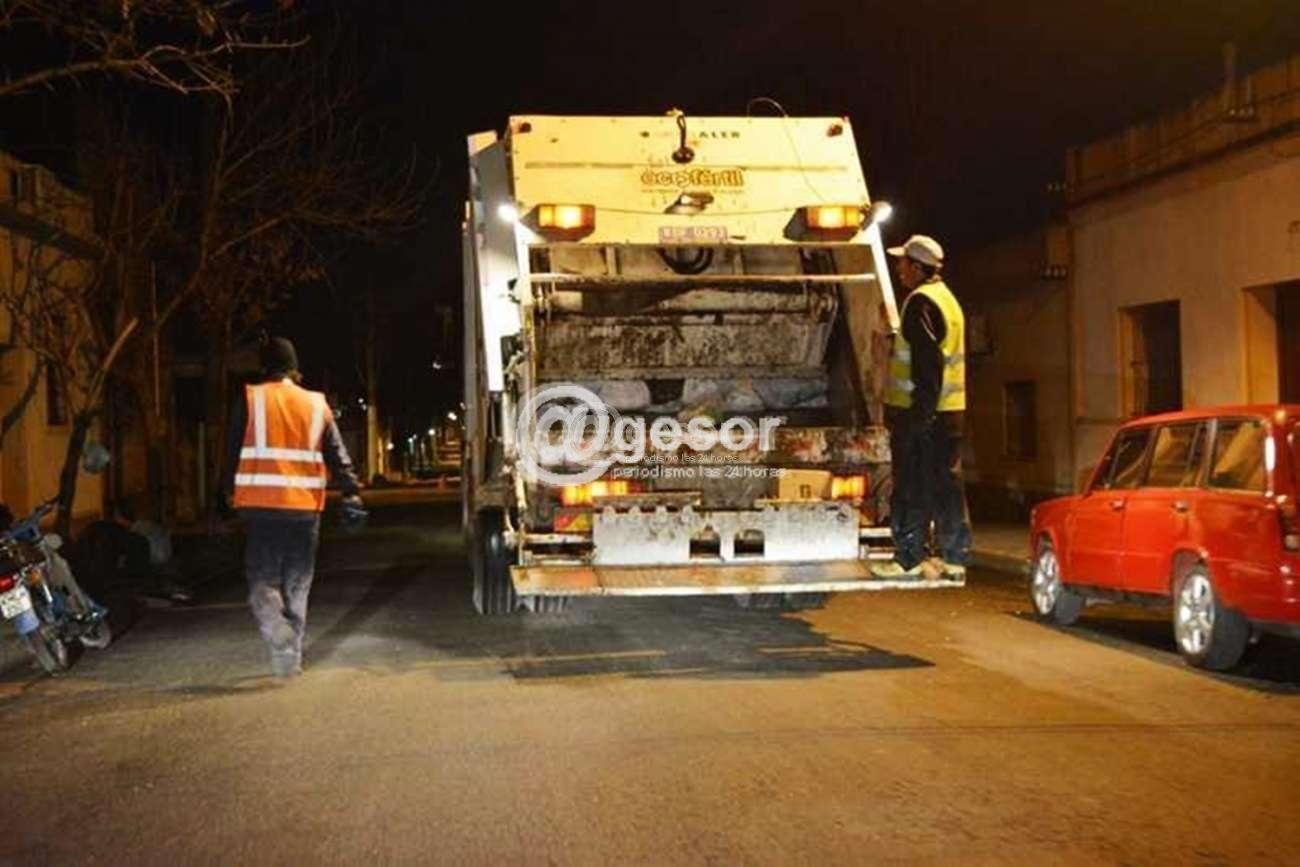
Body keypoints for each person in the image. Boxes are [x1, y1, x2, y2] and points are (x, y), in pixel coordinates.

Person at [220, 337, 363, 677]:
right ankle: (290, 657)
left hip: (262, 507)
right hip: (304, 508)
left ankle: (276, 627)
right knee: (298, 583)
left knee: (262, 579)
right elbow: (337, 453)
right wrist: (351, 491)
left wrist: (225, 492)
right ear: (294, 368)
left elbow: (232, 451)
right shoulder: (316, 404)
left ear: (264, 366)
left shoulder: (251, 399)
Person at [876, 234, 972, 579]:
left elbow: (927, 365)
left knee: (911, 485)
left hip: (922, 414)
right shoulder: (947, 299)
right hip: (951, 411)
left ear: (917, 267)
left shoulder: (920, 303)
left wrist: (920, 416)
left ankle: (908, 558)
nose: (899, 269)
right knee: (946, 484)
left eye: (903, 263)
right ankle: (954, 557)